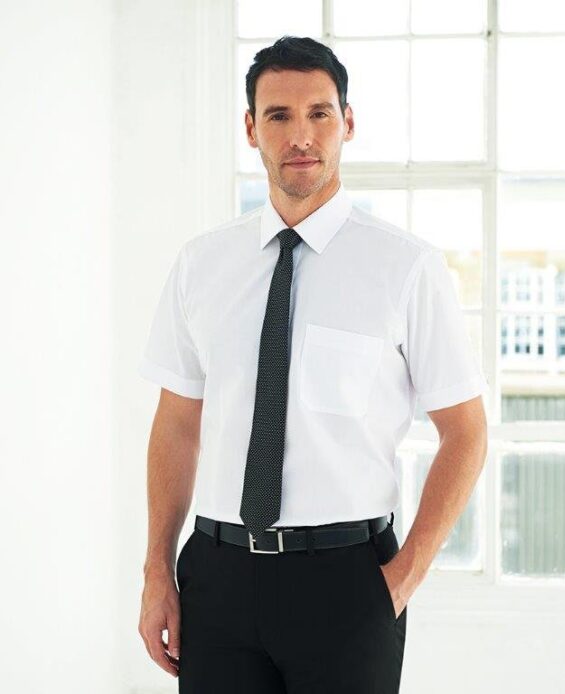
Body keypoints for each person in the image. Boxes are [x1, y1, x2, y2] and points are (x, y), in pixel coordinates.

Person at [137, 35, 489, 693]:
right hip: (217, 577)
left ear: (347, 122)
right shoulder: (201, 265)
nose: (301, 136)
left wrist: (400, 580)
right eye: (278, 115)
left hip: (347, 581)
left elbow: (465, 432)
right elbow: (177, 424)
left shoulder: (406, 268)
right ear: (251, 129)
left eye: (319, 113)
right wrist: (158, 569)